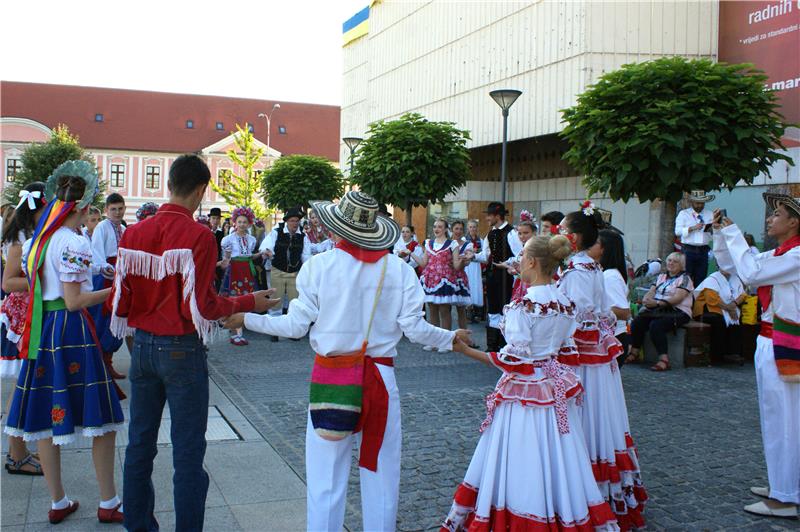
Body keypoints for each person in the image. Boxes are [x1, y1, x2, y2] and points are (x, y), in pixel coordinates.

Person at [223, 190, 470, 531]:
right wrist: (450, 338)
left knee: (326, 479)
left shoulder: (319, 267)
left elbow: (295, 326)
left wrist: (247, 318)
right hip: (381, 379)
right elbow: (414, 328)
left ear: (336, 228)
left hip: (333, 376)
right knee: (381, 474)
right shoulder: (398, 270)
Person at [108, 154, 276, 532]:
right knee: (187, 453)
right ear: (201, 190)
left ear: (169, 184)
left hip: (143, 348)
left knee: (139, 445)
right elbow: (204, 305)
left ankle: (138, 526)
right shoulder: (199, 235)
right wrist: (250, 302)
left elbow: (119, 301)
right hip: (181, 350)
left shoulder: (134, 233)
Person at [441, 235, 617, 531]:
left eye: (521, 255)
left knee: (521, 454)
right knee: (558, 454)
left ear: (533, 262)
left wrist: (465, 350)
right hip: (552, 387)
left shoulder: (524, 306)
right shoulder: (564, 303)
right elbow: (567, 353)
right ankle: (557, 508)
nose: (518, 260)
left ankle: (525, 511)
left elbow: (514, 360)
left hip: (525, 392)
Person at [4, 161, 125, 524]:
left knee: (45, 415)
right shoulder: (73, 241)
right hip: (70, 329)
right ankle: (109, 501)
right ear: (85, 207)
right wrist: (115, 291)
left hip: (42, 329)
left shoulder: (38, 240)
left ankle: (58, 502)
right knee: (100, 418)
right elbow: (73, 301)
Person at [558, 203, 646, 528]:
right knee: (594, 416)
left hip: (583, 356)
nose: (559, 235)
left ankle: (587, 487)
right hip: (593, 354)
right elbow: (600, 312)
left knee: (587, 416)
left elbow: (582, 316)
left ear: (575, 237)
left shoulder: (580, 271)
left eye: (563, 230)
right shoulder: (588, 267)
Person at [712, 194, 800, 519]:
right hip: (771, 340)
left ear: (794, 222)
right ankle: (784, 485)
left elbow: (750, 274)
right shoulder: (780, 253)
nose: (769, 219)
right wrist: (722, 234)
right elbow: (734, 265)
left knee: (785, 421)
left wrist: (733, 233)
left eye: (776, 214)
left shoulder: (796, 255)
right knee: (777, 419)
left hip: (785, 343)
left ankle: (786, 497)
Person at [1, 182, 47, 477]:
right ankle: (16, 455)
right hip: (21, 321)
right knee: (21, 389)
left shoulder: (25, 234)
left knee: (24, 387)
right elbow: (8, 282)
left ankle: (19, 451)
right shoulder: (19, 238)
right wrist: (42, 283)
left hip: (27, 316)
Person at [627, 252, 693, 371]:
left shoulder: (685, 278)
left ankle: (664, 359)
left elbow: (678, 298)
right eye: (669, 260)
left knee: (656, 326)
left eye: (675, 261)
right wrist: (647, 298)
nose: (671, 263)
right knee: (637, 322)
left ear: (682, 265)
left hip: (678, 311)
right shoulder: (661, 276)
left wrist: (657, 303)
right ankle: (634, 352)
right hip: (659, 309)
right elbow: (652, 290)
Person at [417, 218, 471, 352]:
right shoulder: (429, 243)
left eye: (440, 227)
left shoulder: (452, 244)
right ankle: (434, 341)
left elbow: (457, 265)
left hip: (445, 280)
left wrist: (465, 260)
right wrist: (410, 254)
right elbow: (424, 263)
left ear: (446, 229)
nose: (436, 229)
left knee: (444, 311)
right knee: (432, 310)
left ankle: (445, 342)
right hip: (430, 279)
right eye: (435, 226)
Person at [259, 206, 311, 342]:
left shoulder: (303, 236)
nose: (295, 223)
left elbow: (306, 256)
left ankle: (293, 331)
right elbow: (266, 245)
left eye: (297, 221)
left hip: (295, 273)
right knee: (276, 301)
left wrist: (308, 271)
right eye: (292, 220)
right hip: (278, 271)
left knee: (295, 302)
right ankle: (274, 331)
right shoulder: (276, 232)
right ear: (287, 221)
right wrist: (267, 251)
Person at [90, 192, 126, 381]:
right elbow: (96, 252)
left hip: (120, 277)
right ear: (106, 210)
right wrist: (106, 267)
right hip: (106, 278)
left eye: (120, 208)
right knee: (102, 319)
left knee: (115, 318)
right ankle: (100, 365)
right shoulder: (102, 228)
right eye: (113, 209)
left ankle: (108, 362)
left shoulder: (124, 229)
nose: (117, 212)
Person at [474, 202, 519, 351]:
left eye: (489, 215)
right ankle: (492, 346)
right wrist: (472, 256)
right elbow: (486, 255)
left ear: (497, 216)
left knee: (504, 308)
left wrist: (506, 263)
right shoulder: (491, 233)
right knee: (492, 308)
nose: (487, 218)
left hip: (506, 277)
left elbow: (519, 255)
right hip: (493, 276)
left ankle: (504, 344)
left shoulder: (511, 233)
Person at [219, 206, 260, 346]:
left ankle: (239, 331)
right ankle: (235, 332)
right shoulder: (228, 239)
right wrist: (227, 257)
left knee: (245, 299)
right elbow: (226, 258)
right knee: (234, 299)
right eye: (239, 221)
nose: (242, 224)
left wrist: (261, 254)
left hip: (247, 269)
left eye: (245, 222)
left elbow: (250, 255)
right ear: (234, 223)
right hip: (235, 269)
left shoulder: (252, 239)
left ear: (249, 223)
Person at [594, 229, 632, 367]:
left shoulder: (610, 276)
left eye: (595, 242)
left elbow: (624, 312)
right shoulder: (604, 273)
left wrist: (592, 311)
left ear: (604, 249)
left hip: (614, 337)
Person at [693, 267, 746, 364]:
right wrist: (730, 309)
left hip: (729, 308)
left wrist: (733, 304)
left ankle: (733, 352)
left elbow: (742, 295)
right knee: (719, 321)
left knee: (737, 321)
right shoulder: (712, 279)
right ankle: (717, 355)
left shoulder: (735, 279)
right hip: (707, 309)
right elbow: (711, 299)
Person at [674, 190, 715, 287]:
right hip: (688, 250)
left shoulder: (710, 214)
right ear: (692, 202)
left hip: (703, 250)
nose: (700, 205)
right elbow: (677, 231)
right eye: (697, 203)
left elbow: (714, 235)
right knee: (686, 277)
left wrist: (712, 230)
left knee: (701, 278)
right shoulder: (684, 214)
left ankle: (697, 300)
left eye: (702, 203)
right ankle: (685, 300)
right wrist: (692, 228)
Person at [450, 220, 473, 330]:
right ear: (451, 230)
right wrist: (460, 259)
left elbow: (467, 262)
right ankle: (445, 338)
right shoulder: (446, 243)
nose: (458, 231)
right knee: (445, 309)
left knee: (461, 310)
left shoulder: (467, 245)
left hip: (459, 278)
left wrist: (462, 259)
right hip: (447, 277)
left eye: (460, 229)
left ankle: (465, 339)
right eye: (456, 228)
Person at [463, 220, 484, 323]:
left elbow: (484, 253)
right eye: (470, 227)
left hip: (476, 265)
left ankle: (476, 311)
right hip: (468, 266)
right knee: (469, 285)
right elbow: (462, 252)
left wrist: (476, 253)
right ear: (468, 228)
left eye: (474, 227)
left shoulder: (481, 240)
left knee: (476, 287)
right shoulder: (464, 239)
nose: (472, 229)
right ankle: (467, 311)